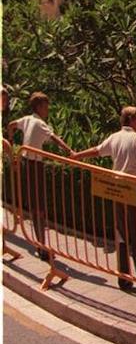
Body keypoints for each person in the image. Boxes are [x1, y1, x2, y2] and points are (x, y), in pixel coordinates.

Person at [73, 107, 136, 294]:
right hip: (133, 189)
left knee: (122, 235)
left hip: (117, 190)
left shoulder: (115, 136)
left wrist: (77, 155)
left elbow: (97, 151)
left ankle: (123, 278)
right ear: (132, 119)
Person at [7, 92, 74, 260]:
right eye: (45, 106)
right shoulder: (38, 122)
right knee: (40, 206)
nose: (47, 110)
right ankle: (42, 246)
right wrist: (70, 152)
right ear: (38, 107)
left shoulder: (27, 119)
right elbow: (55, 138)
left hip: (25, 161)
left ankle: (40, 243)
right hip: (35, 164)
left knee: (35, 204)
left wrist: (12, 145)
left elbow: (11, 125)